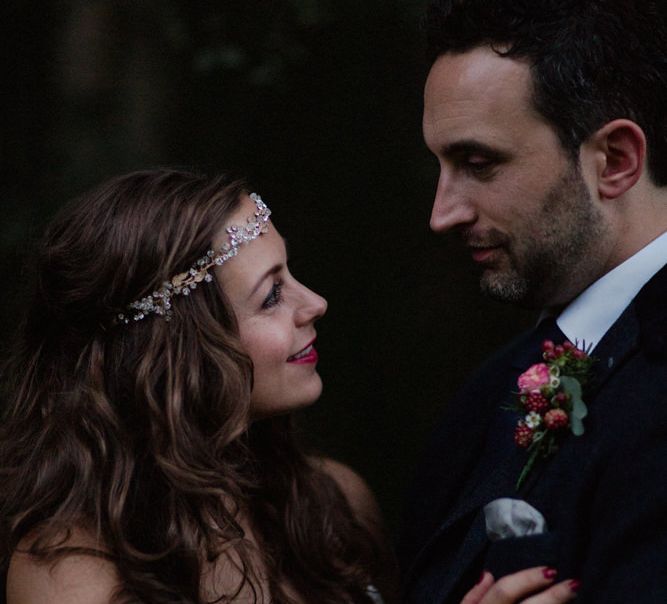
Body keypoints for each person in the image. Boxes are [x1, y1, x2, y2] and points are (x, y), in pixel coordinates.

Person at [0, 169, 569, 604]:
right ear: (179, 353)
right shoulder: (70, 569)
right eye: (272, 295)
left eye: (290, 276)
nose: (315, 304)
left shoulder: (334, 504)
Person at [399, 1, 667, 602]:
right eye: (439, 165)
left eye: (478, 163)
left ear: (615, 160)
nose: (443, 214)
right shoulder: (493, 384)